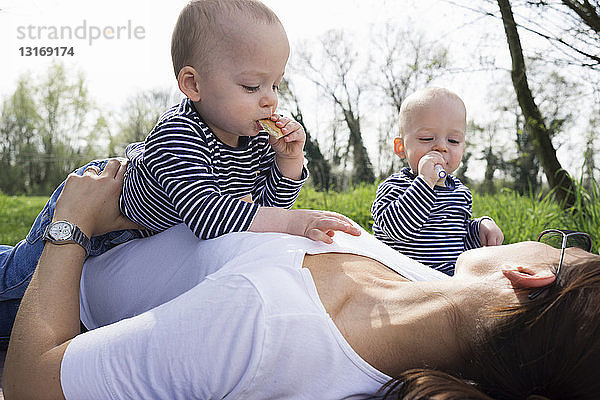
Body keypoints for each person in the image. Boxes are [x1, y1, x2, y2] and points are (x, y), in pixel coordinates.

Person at [4, 159, 600, 399]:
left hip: (51, 285)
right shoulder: (429, 297)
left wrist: (72, 227)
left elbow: (30, 383)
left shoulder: (266, 322)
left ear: (528, 276)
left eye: (566, 249)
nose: (551, 240)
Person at [0, 0, 361, 350]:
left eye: (275, 85)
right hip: (99, 201)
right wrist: (292, 222)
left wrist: (288, 163)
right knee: (21, 278)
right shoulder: (179, 132)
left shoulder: (251, 138)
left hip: (139, 233)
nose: (269, 100)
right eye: (252, 86)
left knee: (57, 300)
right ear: (193, 84)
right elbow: (209, 216)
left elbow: (264, 210)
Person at [371, 87, 504, 275]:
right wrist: (425, 181)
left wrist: (480, 229)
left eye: (453, 140)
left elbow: (459, 239)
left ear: (463, 149)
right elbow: (398, 230)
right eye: (427, 138)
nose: (441, 146)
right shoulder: (394, 187)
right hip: (401, 280)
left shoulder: (460, 192)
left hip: (449, 281)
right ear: (401, 147)